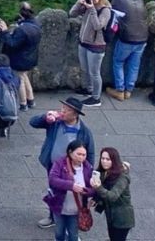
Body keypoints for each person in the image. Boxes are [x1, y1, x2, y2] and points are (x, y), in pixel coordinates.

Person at [30, 98, 97, 229]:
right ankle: (53, 216)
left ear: (75, 114)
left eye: (67, 110)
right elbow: (32, 122)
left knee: (72, 194)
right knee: (53, 192)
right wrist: (45, 117)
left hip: (73, 168)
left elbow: (91, 153)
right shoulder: (55, 123)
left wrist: (88, 172)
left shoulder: (84, 132)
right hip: (54, 166)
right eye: (62, 109)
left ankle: (72, 221)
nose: (63, 112)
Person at [70, 0, 113, 106]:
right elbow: (72, 13)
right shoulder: (86, 6)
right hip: (84, 43)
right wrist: (79, 3)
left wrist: (92, 9)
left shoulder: (105, 10)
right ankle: (88, 89)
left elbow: (98, 26)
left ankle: (96, 98)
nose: (92, 0)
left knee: (94, 72)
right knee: (85, 69)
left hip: (96, 46)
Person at [45, 141, 96, 241]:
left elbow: (93, 189)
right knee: (59, 233)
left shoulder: (88, 168)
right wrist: (71, 186)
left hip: (76, 209)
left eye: (84, 155)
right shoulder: (60, 163)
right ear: (70, 152)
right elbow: (52, 179)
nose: (81, 157)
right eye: (79, 154)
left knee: (73, 235)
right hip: (59, 207)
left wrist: (85, 191)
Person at [109, 0, 148, 101]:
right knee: (134, 64)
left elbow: (113, 16)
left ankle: (120, 90)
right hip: (142, 36)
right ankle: (129, 90)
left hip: (127, 37)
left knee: (118, 61)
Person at [0, 2, 42, 108]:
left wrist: (4, 31)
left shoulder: (22, 30)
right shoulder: (36, 24)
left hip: (20, 59)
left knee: (20, 79)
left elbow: (12, 43)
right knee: (24, 76)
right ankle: (31, 99)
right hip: (31, 57)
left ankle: (23, 103)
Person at [92, 147, 135, 241]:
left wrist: (98, 187)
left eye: (108, 159)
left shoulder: (122, 177)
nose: (104, 161)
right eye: (102, 158)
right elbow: (103, 190)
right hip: (111, 215)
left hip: (122, 218)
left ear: (114, 160)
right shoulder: (104, 172)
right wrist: (95, 199)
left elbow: (112, 196)